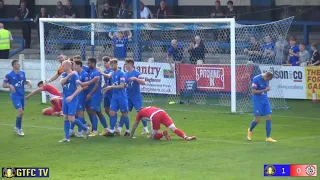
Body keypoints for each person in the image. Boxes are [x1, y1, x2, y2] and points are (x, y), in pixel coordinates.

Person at [59, 60, 89, 142]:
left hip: (72, 99)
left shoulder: (75, 75)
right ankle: (66, 137)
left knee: (71, 118)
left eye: (63, 66)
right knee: (65, 117)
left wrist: (72, 96)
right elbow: (61, 81)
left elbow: (79, 88)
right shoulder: (64, 74)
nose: (62, 67)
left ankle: (85, 128)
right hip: (65, 99)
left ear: (68, 66)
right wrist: (69, 75)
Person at [130, 106, 197, 141]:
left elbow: (135, 125)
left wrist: (131, 135)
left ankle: (163, 133)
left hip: (155, 115)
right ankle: (186, 137)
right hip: (162, 112)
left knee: (153, 136)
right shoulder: (149, 107)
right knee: (173, 128)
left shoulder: (139, 113)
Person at [2, 59, 32, 136]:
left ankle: (16, 127)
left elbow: (23, 81)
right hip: (15, 96)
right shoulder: (9, 75)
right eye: (18, 64)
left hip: (22, 95)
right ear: (14, 65)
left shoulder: (22, 73)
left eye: (19, 64)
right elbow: (4, 85)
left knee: (21, 113)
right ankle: (19, 129)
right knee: (20, 112)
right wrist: (10, 85)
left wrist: (28, 82)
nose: (19, 65)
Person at [80, 58, 109, 137]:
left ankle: (95, 131)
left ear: (93, 63)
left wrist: (90, 94)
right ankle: (106, 128)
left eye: (89, 63)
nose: (88, 65)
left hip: (96, 95)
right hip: (93, 95)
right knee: (98, 113)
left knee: (92, 111)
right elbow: (80, 66)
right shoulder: (90, 70)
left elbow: (97, 85)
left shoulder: (97, 72)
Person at [102, 59, 130, 137]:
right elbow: (108, 76)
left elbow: (121, 86)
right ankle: (111, 131)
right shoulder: (113, 73)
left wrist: (110, 87)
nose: (112, 66)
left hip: (122, 97)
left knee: (124, 114)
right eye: (111, 65)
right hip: (114, 97)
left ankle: (128, 131)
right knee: (112, 113)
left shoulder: (122, 74)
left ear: (117, 64)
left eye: (113, 65)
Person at [247, 72, 276, 143]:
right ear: (265, 76)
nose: (267, 81)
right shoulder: (256, 79)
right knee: (257, 120)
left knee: (269, 117)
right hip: (257, 99)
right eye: (267, 79)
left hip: (264, 99)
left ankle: (268, 137)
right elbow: (253, 91)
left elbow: (265, 88)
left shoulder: (267, 79)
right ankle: (250, 130)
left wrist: (267, 90)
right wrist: (265, 90)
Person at [124, 58, 149, 134]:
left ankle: (146, 128)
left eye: (127, 64)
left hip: (136, 96)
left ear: (131, 64)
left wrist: (135, 78)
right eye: (125, 64)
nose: (125, 65)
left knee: (141, 112)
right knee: (125, 112)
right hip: (128, 96)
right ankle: (121, 128)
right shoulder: (125, 74)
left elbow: (143, 82)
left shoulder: (137, 73)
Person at [69, 60, 89, 137]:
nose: (74, 67)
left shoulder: (85, 74)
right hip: (74, 96)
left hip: (81, 96)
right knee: (73, 113)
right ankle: (71, 130)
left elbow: (87, 86)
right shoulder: (73, 73)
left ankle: (80, 131)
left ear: (80, 65)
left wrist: (78, 89)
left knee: (80, 113)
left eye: (75, 65)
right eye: (74, 66)